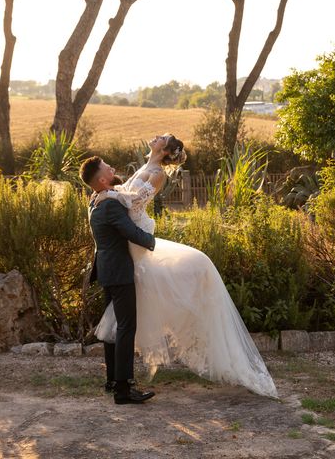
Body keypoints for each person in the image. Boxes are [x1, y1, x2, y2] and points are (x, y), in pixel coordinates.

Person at [93, 134, 278, 398]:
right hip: (126, 242)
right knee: (121, 317)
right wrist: (107, 194)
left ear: (165, 149)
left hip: (136, 236)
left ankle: (120, 382)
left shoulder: (157, 174)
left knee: (127, 316)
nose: (155, 137)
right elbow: (121, 198)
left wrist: (107, 195)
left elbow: (133, 204)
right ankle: (117, 381)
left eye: (162, 138)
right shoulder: (144, 167)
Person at [79, 156, 157, 405]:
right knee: (125, 327)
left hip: (106, 270)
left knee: (112, 327)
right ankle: (124, 389)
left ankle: (113, 380)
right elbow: (130, 232)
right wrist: (153, 242)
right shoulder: (110, 205)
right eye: (107, 168)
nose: (112, 168)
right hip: (119, 271)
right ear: (102, 179)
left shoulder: (96, 199)